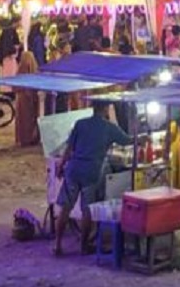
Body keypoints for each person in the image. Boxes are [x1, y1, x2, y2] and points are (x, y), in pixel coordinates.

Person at [53, 100, 132, 256]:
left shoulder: (80, 124)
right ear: (105, 109)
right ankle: (83, 247)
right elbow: (128, 140)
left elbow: (69, 148)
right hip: (91, 172)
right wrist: (143, 138)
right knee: (87, 210)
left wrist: (61, 166)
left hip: (73, 170)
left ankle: (57, 245)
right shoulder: (109, 127)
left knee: (66, 208)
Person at [14, 48, 40, 147]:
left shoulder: (20, 72)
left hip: (23, 99)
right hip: (29, 99)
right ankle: (29, 138)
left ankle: (25, 138)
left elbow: (15, 87)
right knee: (29, 119)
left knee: (24, 120)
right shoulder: (35, 72)